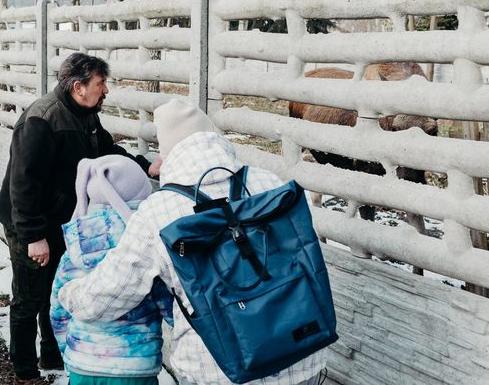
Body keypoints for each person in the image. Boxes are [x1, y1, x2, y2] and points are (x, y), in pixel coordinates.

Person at [58, 98, 328, 385]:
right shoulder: (270, 183)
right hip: (303, 351)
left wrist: (69, 292)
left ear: (168, 151)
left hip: (219, 369)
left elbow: (107, 298)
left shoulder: (158, 211)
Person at [0, 52, 159, 385]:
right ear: (78, 86)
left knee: (57, 289)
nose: (106, 91)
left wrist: (144, 166)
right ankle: (24, 372)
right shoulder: (42, 120)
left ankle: (53, 356)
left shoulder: (85, 114)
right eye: (101, 84)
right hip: (29, 223)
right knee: (29, 298)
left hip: (60, 220)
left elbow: (107, 152)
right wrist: (33, 236)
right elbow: (23, 184)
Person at [50, 154, 173, 385]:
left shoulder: (74, 251)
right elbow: (168, 304)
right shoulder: (144, 247)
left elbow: (58, 310)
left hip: (82, 367)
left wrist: (73, 351)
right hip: (136, 368)